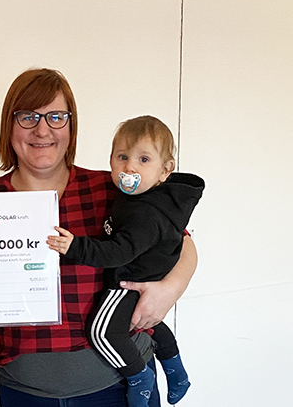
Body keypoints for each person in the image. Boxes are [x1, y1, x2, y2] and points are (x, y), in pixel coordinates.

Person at [0, 69, 198, 407]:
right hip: (25, 392)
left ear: (71, 126)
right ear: (9, 126)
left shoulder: (113, 188)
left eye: (56, 117)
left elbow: (179, 241)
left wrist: (170, 289)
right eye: (28, 117)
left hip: (120, 385)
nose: (42, 130)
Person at [47, 115, 204, 406]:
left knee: (101, 331)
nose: (130, 167)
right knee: (140, 322)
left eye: (143, 159)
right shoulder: (140, 199)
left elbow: (118, 252)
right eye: (122, 157)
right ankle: (175, 368)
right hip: (140, 277)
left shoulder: (145, 213)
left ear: (165, 170)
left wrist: (75, 247)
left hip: (128, 279)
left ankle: (138, 376)